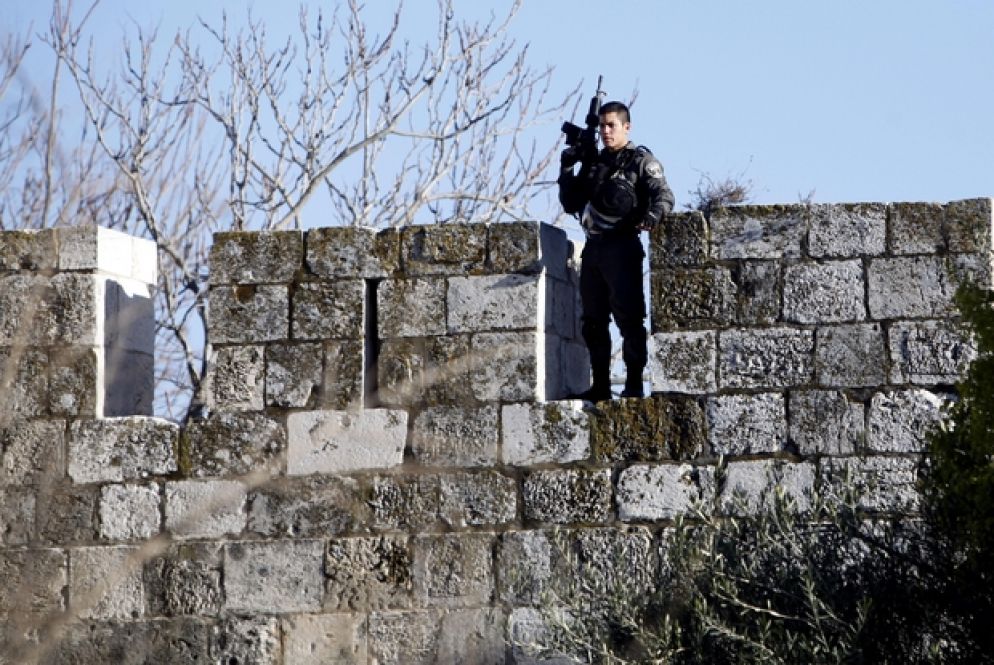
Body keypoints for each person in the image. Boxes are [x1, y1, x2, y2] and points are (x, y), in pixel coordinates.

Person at [558, 101, 675, 401]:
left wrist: (653, 215)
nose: (606, 131)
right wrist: (568, 166)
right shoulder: (595, 163)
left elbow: (663, 195)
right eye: (602, 126)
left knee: (629, 319)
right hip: (595, 248)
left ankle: (634, 383)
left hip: (623, 247)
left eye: (612, 125)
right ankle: (600, 386)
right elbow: (571, 203)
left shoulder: (640, 161)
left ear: (627, 127)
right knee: (593, 320)